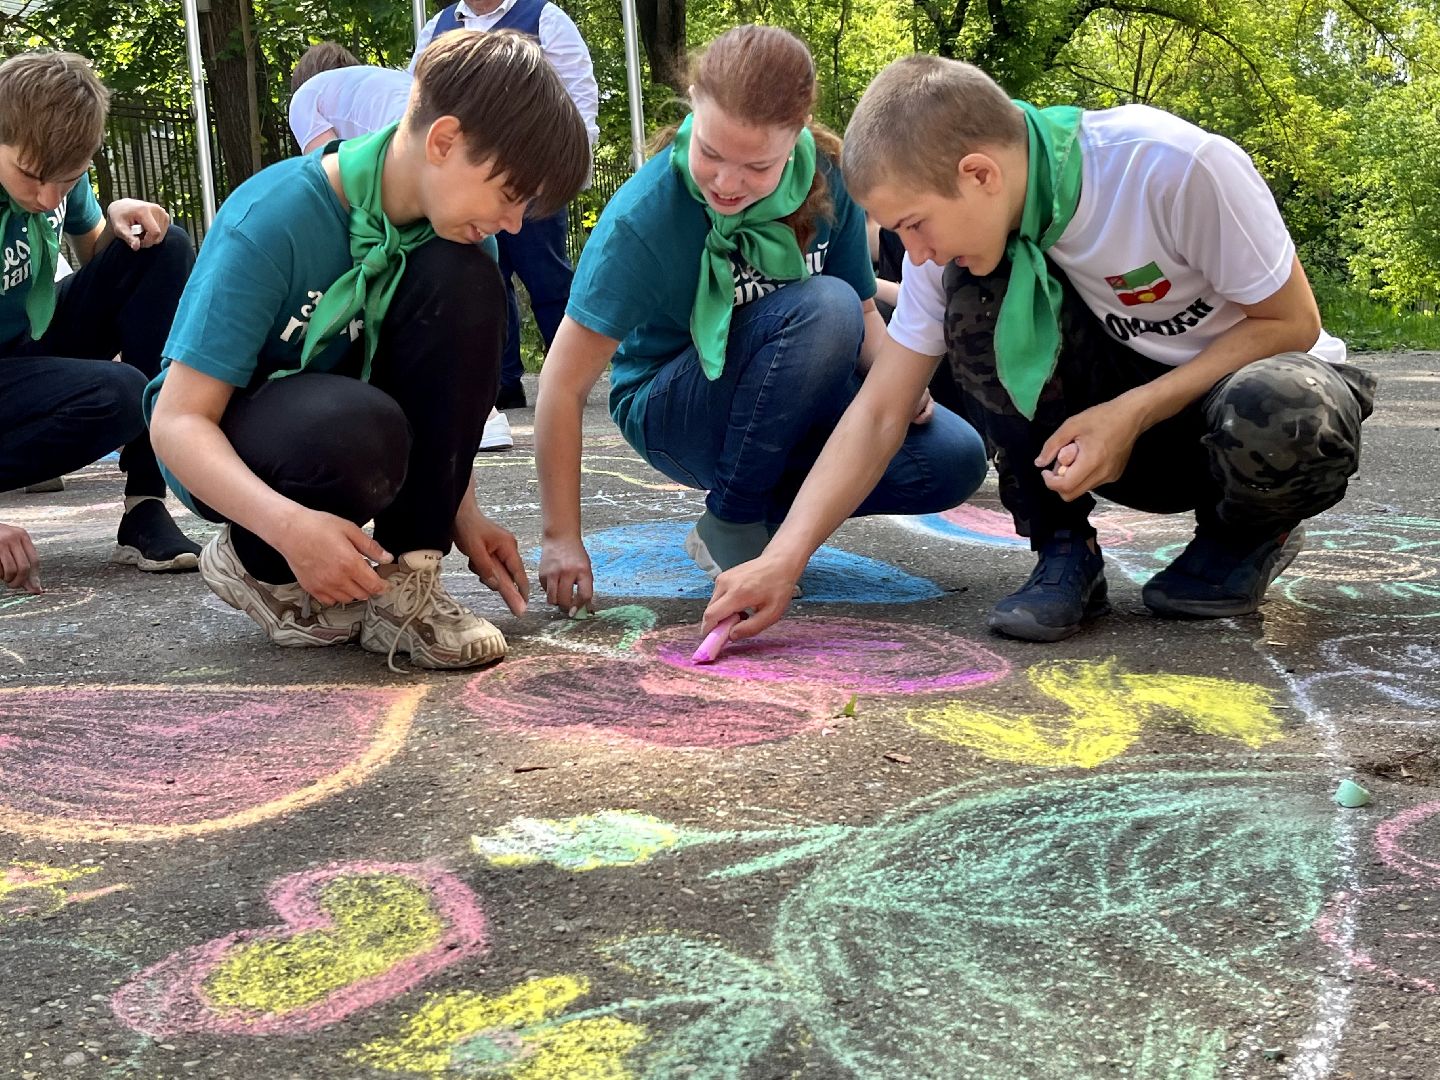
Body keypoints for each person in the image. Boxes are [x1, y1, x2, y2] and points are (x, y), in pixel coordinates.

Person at [703, 54, 1376, 645]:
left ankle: (1247, 535)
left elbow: (1291, 321)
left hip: (1247, 428)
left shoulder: (1169, 166)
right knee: (979, 297)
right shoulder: (955, 244)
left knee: (1287, 404)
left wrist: (1132, 412)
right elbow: (882, 409)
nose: (917, 254)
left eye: (915, 225)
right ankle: (1063, 550)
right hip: (1112, 438)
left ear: (979, 173)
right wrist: (784, 558)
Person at [146, 31, 589, 669]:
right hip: (252, 444)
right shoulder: (273, 218)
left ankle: (408, 587)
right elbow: (177, 421)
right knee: (356, 431)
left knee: (469, 283)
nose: (515, 223)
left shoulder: (460, 239)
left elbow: (437, 402)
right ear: (444, 141)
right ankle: (257, 563)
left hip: (351, 420)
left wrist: (462, 515)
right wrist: (287, 528)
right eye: (509, 195)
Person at [535, 25, 988, 615]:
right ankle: (733, 520)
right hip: (677, 408)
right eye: (711, 153)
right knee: (821, 306)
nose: (727, 183)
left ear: (798, 135)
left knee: (950, 457)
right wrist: (561, 537)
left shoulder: (829, 178)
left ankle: (768, 517)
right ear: (692, 106)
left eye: (756, 165)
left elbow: (864, 314)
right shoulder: (644, 220)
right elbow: (562, 384)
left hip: (787, 394)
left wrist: (899, 388)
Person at [0, 51, 199, 593]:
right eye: (31, 176)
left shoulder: (56, 158)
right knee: (121, 394)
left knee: (161, 246)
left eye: (65, 181)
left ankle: (145, 505)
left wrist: (118, 222)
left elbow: (99, 262)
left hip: (25, 344)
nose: (47, 198)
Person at [288, 40, 514, 451]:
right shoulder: (387, 81)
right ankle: (486, 410)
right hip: (443, 158)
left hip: (413, 164)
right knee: (472, 250)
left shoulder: (307, 97)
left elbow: (327, 181)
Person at [411, 0, 599, 411]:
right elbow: (413, 103)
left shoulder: (545, 17)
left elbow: (579, 98)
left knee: (547, 278)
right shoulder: (437, 27)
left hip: (531, 181)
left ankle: (570, 377)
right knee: (486, 280)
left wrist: (563, 177)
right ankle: (502, 381)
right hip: (464, 187)